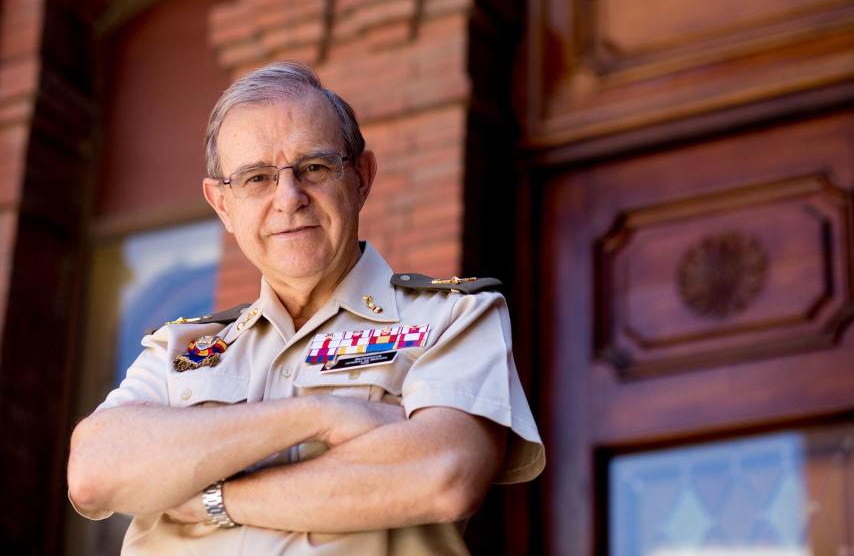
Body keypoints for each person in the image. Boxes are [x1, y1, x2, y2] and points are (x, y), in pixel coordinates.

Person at [67, 61, 545, 555]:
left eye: (314, 167)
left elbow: (444, 477)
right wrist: (321, 414)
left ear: (362, 177)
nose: (289, 197)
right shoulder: (184, 348)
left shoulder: (452, 317)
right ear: (222, 205)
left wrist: (216, 498)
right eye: (256, 178)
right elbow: (95, 472)